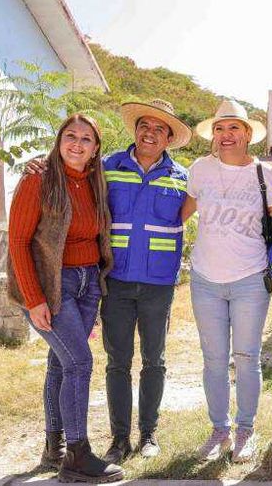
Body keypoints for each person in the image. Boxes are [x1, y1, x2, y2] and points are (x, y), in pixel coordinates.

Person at [23, 99, 195, 463]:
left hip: (159, 284)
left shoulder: (184, 178)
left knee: (154, 360)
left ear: (169, 138)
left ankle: (148, 434)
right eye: (144, 126)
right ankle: (119, 439)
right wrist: (40, 163)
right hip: (113, 280)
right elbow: (69, 167)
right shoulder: (106, 168)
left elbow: (188, 214)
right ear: (135, 130)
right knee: (117, 361)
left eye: (159, 129)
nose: (150, 134)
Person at [7, 114, 123, 483]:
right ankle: (77, 455)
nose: (77, 144)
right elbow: (18, 243)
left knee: (61, 362)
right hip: (52, 286)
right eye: (70, 136)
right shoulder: (38, 179)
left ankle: (53, 447)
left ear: (96, 148)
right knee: (79, 362)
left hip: (88, 283)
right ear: (59, 141)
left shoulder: (95, 180)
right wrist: (34, 298)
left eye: (86, 138)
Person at [183, 100, 272, 463]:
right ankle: (219, 430)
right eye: (220, 129)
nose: (226, 135)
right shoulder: (199, 169)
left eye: (234, 128)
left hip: (250, 278)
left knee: (247, 357)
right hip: (205, 278)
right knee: (213, 359)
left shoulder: (267, 175)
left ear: (248, 134)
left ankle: (245, 431)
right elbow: (178, 214)